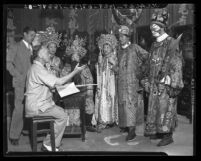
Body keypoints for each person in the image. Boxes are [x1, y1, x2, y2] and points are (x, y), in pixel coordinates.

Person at [25, 46, 86, 152]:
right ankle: (48, 144)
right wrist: (75, 72)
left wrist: (65, 88)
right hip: (37, 107)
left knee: (60, 112)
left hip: (39, 104)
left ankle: (50, 142)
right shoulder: (38, 69)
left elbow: (50, 85)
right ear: (40, 55)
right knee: (62, 115)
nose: (49, 54)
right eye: (47, 53)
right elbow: (59, 82)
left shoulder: (37, 67)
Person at [141, 8, 184, 146]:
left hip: (165, 84)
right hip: (154, 82)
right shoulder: (154, 44)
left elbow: (177, 64)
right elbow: (149, 62)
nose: (153, 30)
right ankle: (158, 131)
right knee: (154, 108)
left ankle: (168, 135)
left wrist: (170, 80)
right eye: (152, 27)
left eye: (156, 27)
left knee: (166, 109)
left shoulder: (171, 43)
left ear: (162, 27)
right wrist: (146, 79)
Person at [114, 25, 149, 141]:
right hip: (121, 82)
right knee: (122, 104)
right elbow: (120, 67)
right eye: (120, 36)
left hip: (132, 82)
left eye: (123, 36)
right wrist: (115, 68)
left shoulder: (135, 47)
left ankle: (132, 130)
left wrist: (141, 71)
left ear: (128, 37)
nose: (121, 38)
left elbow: (147, 57)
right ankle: (125, 125)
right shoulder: (119, 51)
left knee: (131, 105)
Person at [7, 26, 36, 145]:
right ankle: (14, 136)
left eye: (34, 36)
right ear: (24, 34)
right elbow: (8, 63)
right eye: (31, 35)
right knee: (19, 109)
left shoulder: (32, 47)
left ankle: (25, 130)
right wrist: (17, 75)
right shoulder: (16, 46)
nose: (32, 38)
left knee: (29, 107)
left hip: (31, 83)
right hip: (20, 83)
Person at [67, 35, 98, 132]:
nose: (75, 57)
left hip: (83, 92)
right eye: (73, 55)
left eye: (77, 55)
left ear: (80, 57)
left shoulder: (84, 68)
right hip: (71, 94)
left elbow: (90, 80)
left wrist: (88, 91)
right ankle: (74, 124)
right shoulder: (67, 68)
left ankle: (87, 124)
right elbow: (63, 81)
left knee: (88, 102)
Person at [94, 33, 119, 131]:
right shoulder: (102, 58)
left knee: (111, 97)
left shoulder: (114, 57)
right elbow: (99, 70)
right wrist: (98, 65)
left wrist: (113, 64)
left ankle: (112, 119)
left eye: (107, 46)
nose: (105, 49)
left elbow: (117, 69)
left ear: (112, 47)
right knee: (102, 98)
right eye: (104, 47)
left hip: (111, 81)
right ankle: (103, 119)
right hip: (103, 82)